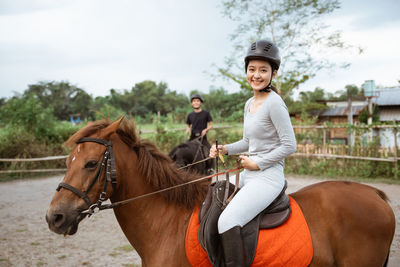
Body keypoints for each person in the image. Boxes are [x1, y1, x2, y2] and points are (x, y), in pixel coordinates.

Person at [209, 39, 296, 267]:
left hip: (268, 177)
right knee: (211, 198)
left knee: (227, 220)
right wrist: (225, 149)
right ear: (246, 71)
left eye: (263, 70)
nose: (256, 75)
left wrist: (258, 163)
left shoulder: (275, 104)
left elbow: (290, 145)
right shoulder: (249, 103)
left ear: (273, 73)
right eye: (252, 69)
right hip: (249, 174)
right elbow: (249, 141)